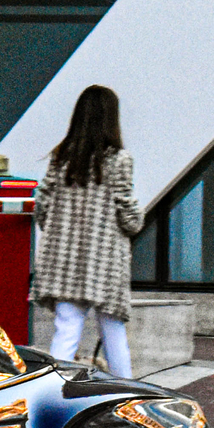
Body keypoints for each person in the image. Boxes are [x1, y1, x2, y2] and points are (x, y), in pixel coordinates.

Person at [29, 85, 143, 377]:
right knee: (114, 333)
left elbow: (42, 203)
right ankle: (127, 395)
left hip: (63, 260)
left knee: (65, 331)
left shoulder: (62, 156)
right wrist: (136, 220)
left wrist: (58, 232)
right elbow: (128, 214)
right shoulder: (118, 159)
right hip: (103, 260)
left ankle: (53, 389)